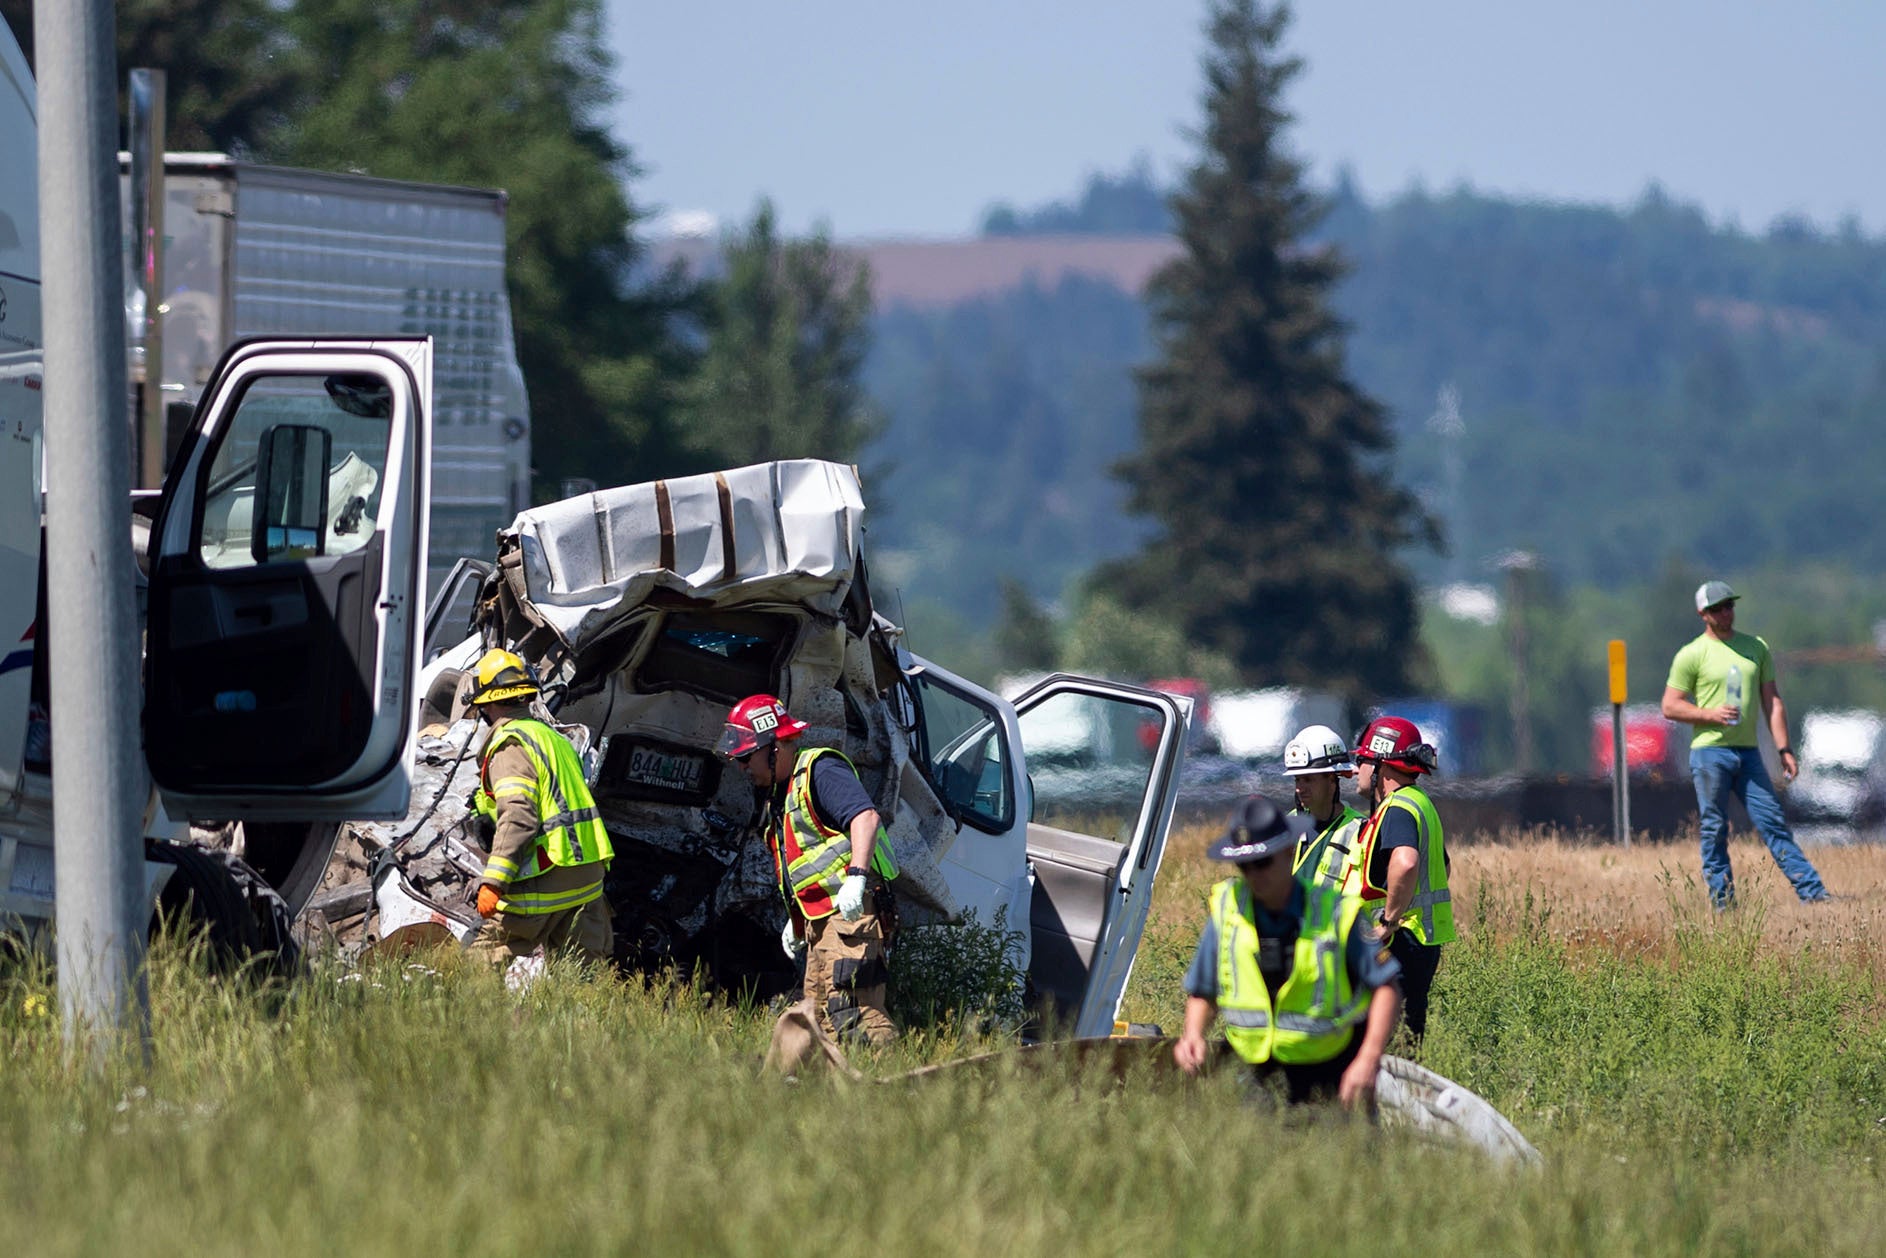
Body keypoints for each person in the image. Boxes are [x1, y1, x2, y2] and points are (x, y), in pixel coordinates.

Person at [1173, 795, 1402, 1111]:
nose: (1254, 875)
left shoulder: (1337, 912)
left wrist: (1368, 1058)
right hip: (1252, 1076)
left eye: (1263, 862)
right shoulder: (1227, 909)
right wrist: (1193, 1035)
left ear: (1288, 851)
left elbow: (1386, 988)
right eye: (1245, 866)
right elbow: (1203, 989)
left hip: (1330, 1075)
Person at [717, 693, 900, 1046]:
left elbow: (866, 817)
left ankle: (890, 1088)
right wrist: (798, 923)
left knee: (853, 1013)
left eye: (745, 758)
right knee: (819, 1018)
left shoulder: (821, 769)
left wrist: (856, 880)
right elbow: (805, 866)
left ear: (773, 747)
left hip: (852, 915)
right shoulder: (781, 794)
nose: (742, 767)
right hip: (822, 922)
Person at [1661, 580, 1828, 908]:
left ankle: (1814, 894)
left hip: (1749, 754)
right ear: (1703, 614)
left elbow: (1773, 702)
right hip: (1710, 753)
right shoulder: (1691, 655)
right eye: (1719, 608)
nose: (1727, 612)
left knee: (1772, 822)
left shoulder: (1756, 648)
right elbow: (1670, 705)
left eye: (1730, 605)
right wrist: (1710, 714)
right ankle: (1723, 903)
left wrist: (1785, 749)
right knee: (1714, 828)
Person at [464, 648, 616, 969]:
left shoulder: (510, 743)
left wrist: (494, 881)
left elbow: (519, 816)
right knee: (582, 985)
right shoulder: (555, 738)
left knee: (478, 967)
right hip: (588, 881)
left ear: (486, 704)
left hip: (549, 877)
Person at [1347, 715, 1454, 1042]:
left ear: (1382, 766)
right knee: (1408, 1036)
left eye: (1363, 761)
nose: (1356, 770)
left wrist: (1389, 919)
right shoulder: (1421, 803)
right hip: (1422, 941)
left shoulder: (1397, 808)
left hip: (1401, 941)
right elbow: (1444, 867)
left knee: (1383, 1038)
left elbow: (1406, 863)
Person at [1283, 724, 1366, 892]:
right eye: (1297, 780)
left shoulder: (1360, 831)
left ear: (1331, 780)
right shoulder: (1287, 824)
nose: (1300, 788)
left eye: (1308, 780)